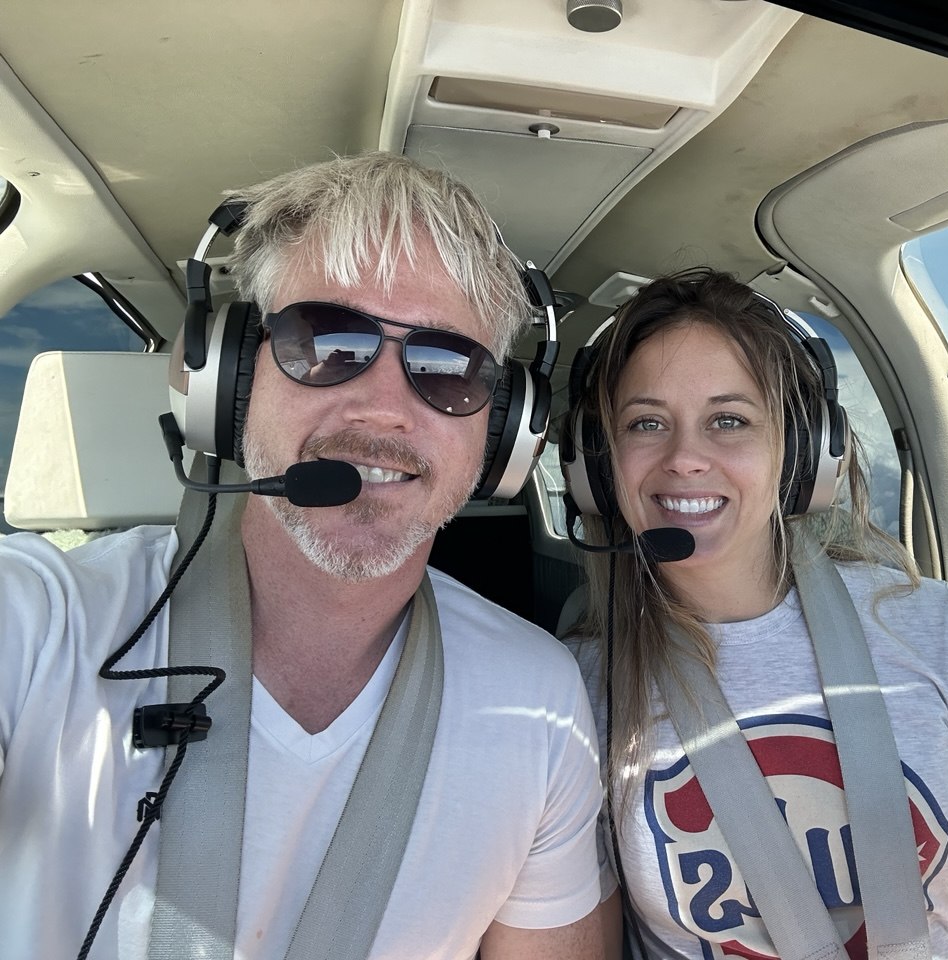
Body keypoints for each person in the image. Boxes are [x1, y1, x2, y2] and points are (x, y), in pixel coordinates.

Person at [0, 153, 604, 959]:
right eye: (326, 342)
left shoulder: (540, 702)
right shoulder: (43, 624)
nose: (384, 409)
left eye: (448, 368)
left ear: (502, 433)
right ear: (231, 380)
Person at [561, 268, 948, 959]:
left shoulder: (938, 632)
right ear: (598, 468)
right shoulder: (575, 691)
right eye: (646, 423)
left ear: (803, 451)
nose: (685, 458)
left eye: (729, 420)